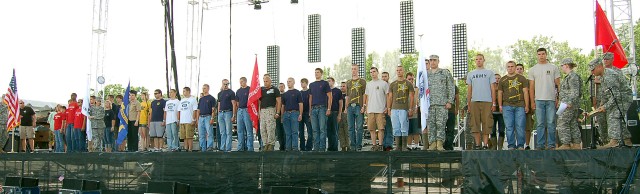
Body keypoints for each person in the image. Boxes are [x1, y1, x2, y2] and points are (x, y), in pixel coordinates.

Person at [591, 58, 633, 148]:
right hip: (618, 97)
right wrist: (601, 105)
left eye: (593, 69)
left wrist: (605, 107)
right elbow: (605, 93)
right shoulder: (603, 76)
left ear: (599, 67)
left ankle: (614, 141)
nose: (592, 72)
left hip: (624, 97)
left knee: (613, 115)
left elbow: (616, 96)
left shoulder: (610, 76)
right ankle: (627, 140)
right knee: (618, 118)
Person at [528, 48, 561, 150]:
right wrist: (532, 101)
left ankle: (551, 144)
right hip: (538, 100)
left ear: (546, 55)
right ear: (537, 55)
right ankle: (540, 145)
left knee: (551, 123)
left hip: (551, 99)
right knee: (540, 123)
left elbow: (558, 84)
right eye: (539, 54)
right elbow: (531, 87)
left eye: (543, 54)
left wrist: (558, 98)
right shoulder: (533, 69)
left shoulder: (553, 67)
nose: (541, 56)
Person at [424, 55, 456, 151]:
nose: (433, 62)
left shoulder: (444, 73)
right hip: (429, 104)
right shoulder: (426, 74)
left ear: (438, 61)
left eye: (435, 60)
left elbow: (451, 87)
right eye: (431, 60)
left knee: (441, 125)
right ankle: (432, 144)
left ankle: (440, 143)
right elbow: (422, 90)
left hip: (442, 104)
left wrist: (450, 101)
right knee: (431, 125)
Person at [467, 54, 496, 150]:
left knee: (487, 123)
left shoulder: (489, 73)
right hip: (474, 101)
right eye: (476, 59)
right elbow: (469, 89)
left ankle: (485, 144)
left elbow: (493, 88)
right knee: (474, 123)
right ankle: (478, 144)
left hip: (487, 101)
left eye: (480, 59)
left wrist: (494, 102)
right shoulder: (471, 74)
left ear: (484, 60)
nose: (478, 61)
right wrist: (469, 103)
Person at [498, 61, 530, 150]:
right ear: (506, 68)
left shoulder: (522, 78)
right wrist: (500, 106)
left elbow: (525, 92)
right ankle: (511, 145)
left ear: (515, 67)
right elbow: (500, 93)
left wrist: (527, 105)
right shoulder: (502, 79)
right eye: (508, 66)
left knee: (520, 126)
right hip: (506, 105)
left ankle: (520, 145)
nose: (510, 68)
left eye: (512, 66)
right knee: (509, 126)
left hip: (520, 105)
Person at [556, 58, 583, 150]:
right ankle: (576, 144)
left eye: (562, 66)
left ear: (566, 65)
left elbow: (575, 91)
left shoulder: (573, 77)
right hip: (566, 103)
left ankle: (566, 144)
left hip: (567, 104)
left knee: (562, 122)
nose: (561, 68)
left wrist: (569, 102)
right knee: (572, 123)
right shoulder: (570, 76)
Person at [388, 65, 415, 151]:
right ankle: (398, 146)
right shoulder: (393, 84)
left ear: (403, 71)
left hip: (404, 108)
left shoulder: (408, 83)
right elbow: (390, 97)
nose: (399, 72)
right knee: (396, 127)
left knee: (404, 126)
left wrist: (410, 109)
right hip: (394, 109)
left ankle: (404, 146)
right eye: (397, 70)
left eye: (400, 70)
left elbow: (411, 97)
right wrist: (389, 108)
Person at [364, 67, 390, 151]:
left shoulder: (383, 84)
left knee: (381, 128)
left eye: (374, 71)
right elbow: (367, 97)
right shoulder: (369, 84)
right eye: (371, 72)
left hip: (380, 109)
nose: (372, 73)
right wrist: (366, 108)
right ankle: (374, 145)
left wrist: (387, 107)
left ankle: (381, 144)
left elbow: (387, 96)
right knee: (371, 129)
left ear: (377, 72)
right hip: (371, 110)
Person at [309, 68, 332, 151]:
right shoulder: (311, 84)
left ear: (321, 74)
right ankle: (316, 148)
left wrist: (329, 108)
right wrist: (310, 110)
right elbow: (310, 98)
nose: (316, 74)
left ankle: (322, 148)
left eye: (318, 72)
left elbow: (330, 96)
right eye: (315, 72)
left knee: (322, 129)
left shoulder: (325, 83)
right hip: (313, 109)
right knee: (315, 130)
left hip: (322, 108)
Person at [345, 64, 366, 151]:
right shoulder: (348, 82)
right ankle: (352, 145)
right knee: (350, 127)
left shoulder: (362, 81)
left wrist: (363, 106)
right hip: (350, 106)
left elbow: (364, 94)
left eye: (355, 69)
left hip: (358, 106)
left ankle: (359, 145)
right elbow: (347, 96)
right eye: (352, 69)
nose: (353, 70)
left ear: (358, 70)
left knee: (359, 127)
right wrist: (346, 107)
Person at [259, 74, 281, 151]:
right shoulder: (261, 90)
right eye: (264, 81)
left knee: (270, 128)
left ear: (270, 81)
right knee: (262, 128)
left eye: (267, 81)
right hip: (263, 110)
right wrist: (259, 112)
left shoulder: (275, 89)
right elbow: (259, 101)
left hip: (271, 110)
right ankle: (265, 144)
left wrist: (278, 112)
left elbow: (279, 101)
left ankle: (271, 144)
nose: (265, 82)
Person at [281, 77, 303, 151]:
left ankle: (295, 148)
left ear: (293, 82)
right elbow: (283, 106)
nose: (288, 83)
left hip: (295, 113)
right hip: (286, 114)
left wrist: (300, 114)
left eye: (290, 81)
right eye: (287, 81)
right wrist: (282, 116)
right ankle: (288, 148)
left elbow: (300, 104)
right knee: (287, 133)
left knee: (294, 132)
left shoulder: (297, 92)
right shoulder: (285, 94)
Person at [516, 63, 534, 150]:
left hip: (527, 107)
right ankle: (519, 145)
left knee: (527, 127)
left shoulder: (527, 81)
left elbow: (531, 93)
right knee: (517, 127)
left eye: (520, 69)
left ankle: (527, 145)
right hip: (515, 107)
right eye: (517, 69)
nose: (519, 70)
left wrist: (531, 105)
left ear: (523, 70)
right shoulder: (511, 81)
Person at [236, 77, 254, 151]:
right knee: (240, 130)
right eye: (240, 81)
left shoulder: (250, 89)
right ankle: (241, 147)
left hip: (247, 110)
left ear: (246, 81)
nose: (241, 83)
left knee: (249, 130)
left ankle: (250, 147)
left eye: (242, 81)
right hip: (240, 110)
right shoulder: (238, 91)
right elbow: (237, 102)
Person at [218, 79, 237, 152]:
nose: (225, 85)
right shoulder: (220, 93)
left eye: (227, 84)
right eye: (224, 84)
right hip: (221, 113)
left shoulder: (231, 92)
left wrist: (233, 115)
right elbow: (219, 104)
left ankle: (228, 148)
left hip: (228, 113)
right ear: (222, 84)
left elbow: (234, 104)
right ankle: (222, 147)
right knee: (222, 132)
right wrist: (218, 113)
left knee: (228, 131)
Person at [197, 84, 217, 152]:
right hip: (201, 117)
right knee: (201, 133)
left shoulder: (211, 98)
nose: (203, 89)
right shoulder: (201, 99)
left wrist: (212, 118)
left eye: (205, 88)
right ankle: (202, 147)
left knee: (209, 133)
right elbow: (198, 110)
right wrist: (197, 119)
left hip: (208, 117)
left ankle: (209, 147)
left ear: (208, 89)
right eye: (203, 88)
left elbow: (213, 109)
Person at [179, 87, 198, 152]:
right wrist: (179, 120)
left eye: (184, 91)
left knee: (189, 136)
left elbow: (195, 110)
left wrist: (193, 119)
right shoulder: (182, 100)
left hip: (189, 120)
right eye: (183, 91)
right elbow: (179, 110)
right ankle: (185, 148)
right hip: (182, 120)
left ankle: (190, 148)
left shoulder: (193, 99)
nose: (183, 92)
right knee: (184, 136)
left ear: (188, 91)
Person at [326, 77, 343, 151]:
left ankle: (335, 147)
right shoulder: (325, 92)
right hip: (327, 113)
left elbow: (340, 103)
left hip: (335, 112)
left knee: (334, 130)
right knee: (328, 131)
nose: (328, 82)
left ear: (333, 82)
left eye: (329, 81)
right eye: (327, 81)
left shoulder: (338, 91)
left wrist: (339, 114)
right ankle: (330, 147)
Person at [406, 72, 421, 150]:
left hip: (416, 112)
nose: (411, 80)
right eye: (409, 79)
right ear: (406, 79)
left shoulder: (417, 89)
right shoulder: (404, 89)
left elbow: (420, 100)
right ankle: (409, 145)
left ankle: (416, 145)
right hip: (407, 112)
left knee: (416, 130)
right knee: (409, 130)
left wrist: (418, 107)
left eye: (412, 79)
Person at [491, 73, 505, 150]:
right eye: (495, 78)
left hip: (501, 113)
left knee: (502, 130)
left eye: (498, 78)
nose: (497, 80)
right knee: (492, 130)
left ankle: (500, 147)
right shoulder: (490, 88)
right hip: (492, 112)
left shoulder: (504, 89)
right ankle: (493, 146)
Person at [298, 78, 313, 151]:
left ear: (306, 83)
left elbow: (311, 102)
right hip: (300, 114)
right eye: (301, 83)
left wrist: (310, 113)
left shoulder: (309, 92)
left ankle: (309, 147)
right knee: (301, 132)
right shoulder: (299, 92)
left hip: (308, 113)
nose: (302, 84)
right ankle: (302, 147)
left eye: (303, 83)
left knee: (310, 132)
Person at [381, 72, 395, 151]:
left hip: (389, 109)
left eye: (385, 76)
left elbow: (391, 98)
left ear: (388, 77)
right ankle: (382, 144)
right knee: (382, 128)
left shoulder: (391, 86)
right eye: (382, 77)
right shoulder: (379, 86)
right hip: (380, 110)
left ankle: (389, 144)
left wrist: (388, 108)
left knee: (389, 127)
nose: (384, 78)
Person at [444, 86, 459, 150]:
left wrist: (457, 109)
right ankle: (443, 144)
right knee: (442, 129)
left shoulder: (454, 87)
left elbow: (457, 99)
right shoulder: (440, 84)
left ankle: (449, 145)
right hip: (442, 111)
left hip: (451, 111)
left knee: (450, 129)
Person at [338, 81, 349, 151]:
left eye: (343, 86)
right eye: (341, 86)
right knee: (340, 131)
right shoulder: (339, 95)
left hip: (346, 114)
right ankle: (343, 146)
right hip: (339, 114)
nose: (342, 88)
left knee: (347, 130)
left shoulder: (348, 95)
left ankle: (348, 145)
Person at [276, 83, 286, 151]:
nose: (280, 88)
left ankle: (285, 146)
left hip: (285, 115)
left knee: (285, 131)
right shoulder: (277, 96)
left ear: (284, 87)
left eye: (282, 86)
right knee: (279, 132)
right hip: (278, 115)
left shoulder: (286, 94)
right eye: (279, 87)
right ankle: (281, 146)